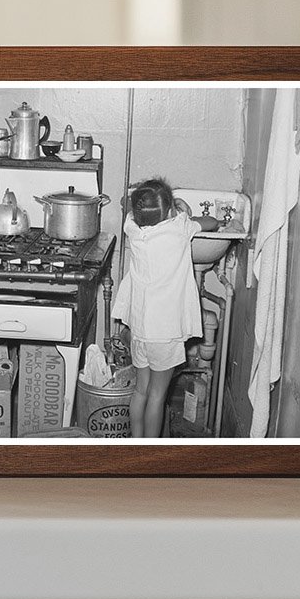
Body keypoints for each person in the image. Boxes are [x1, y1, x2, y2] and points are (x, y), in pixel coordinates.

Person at [112, 178, 204, 438]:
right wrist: (185, 211)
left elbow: (127, 206)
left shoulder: (133, 229)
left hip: (140, 330)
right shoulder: (179, 229)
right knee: (157, 396)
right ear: (170, 212)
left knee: (140, 390)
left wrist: (165, 207)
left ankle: (136, 443)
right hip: (165, 334)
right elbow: (211, 224)